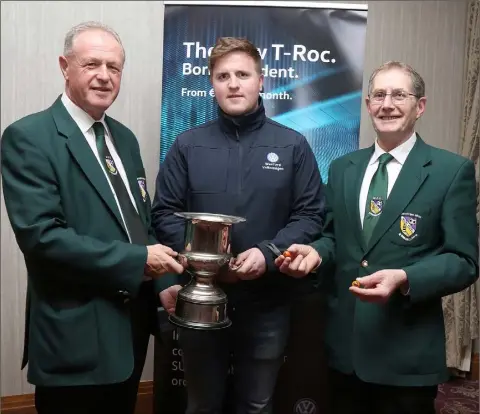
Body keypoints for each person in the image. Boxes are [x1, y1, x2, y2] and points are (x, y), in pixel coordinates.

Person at [1, 21, 185, 414]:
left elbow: (143, 225)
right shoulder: (29, 136)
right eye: (92, 64)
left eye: (114, 67)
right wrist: (139, 261)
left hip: (131, 330)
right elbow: (42, 238)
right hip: (75, 335)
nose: (104, 76)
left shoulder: (125, 138)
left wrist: (166, 282)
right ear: (65, 66)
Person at [275, 61, 479, 414]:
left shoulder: (451, 171)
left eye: (400, 94)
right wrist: (315, 254)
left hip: (406, 356)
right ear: (368, 105)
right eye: (379, 95)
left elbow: (465, 261)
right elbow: (333, 238)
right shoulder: (342, 168)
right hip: (345, 351)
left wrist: (404, 278)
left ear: (421, 106)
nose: (388, 104)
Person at [151, 37, 325, 414]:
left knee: (257, 404)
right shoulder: (187, 145)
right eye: (223, 76)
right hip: (201, 299)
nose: (233, 83)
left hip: (267, 303)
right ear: (211, 83)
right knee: (201, 404)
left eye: (242, 74)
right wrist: (202, 258)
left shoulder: (292, 145)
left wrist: (267, 253)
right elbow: (163, 213)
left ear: (261, 81)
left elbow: (311, 215)